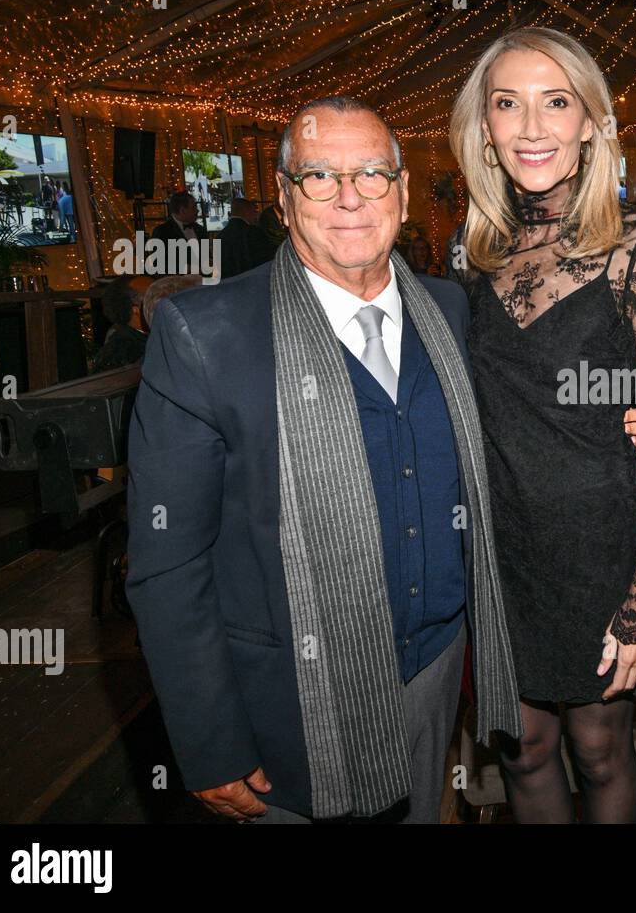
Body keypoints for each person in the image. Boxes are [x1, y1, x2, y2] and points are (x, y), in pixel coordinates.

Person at [126, 95, 522, 824]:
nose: (349, 197)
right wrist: (210, 740)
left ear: (402, 193)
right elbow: (167, 563)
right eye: (319, 177)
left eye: (372, 174)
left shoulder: (450, 310)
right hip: (290, 704)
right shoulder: (205, 334)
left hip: (435, 671)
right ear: (283, 196)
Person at [446, 27, 636, 824]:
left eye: (557, 102)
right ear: (485, 127)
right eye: (508, 104)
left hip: (600, 546)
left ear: (591, 124)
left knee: (601, 751)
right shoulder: (470, 256)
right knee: (525, 752)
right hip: (503, 551)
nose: (533, 127)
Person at [93, 275, 154, 372]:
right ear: (136, 309)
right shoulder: (123, 352)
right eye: (155, 297)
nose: (166, 301)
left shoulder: (152, 337)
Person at [216, 196, 275, 278]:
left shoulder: (220, 236)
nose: (256, 215)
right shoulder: (253, 233)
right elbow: (264, 261)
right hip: (251, 281)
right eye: (254, 211)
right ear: (247, 211)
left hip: (228, 284)